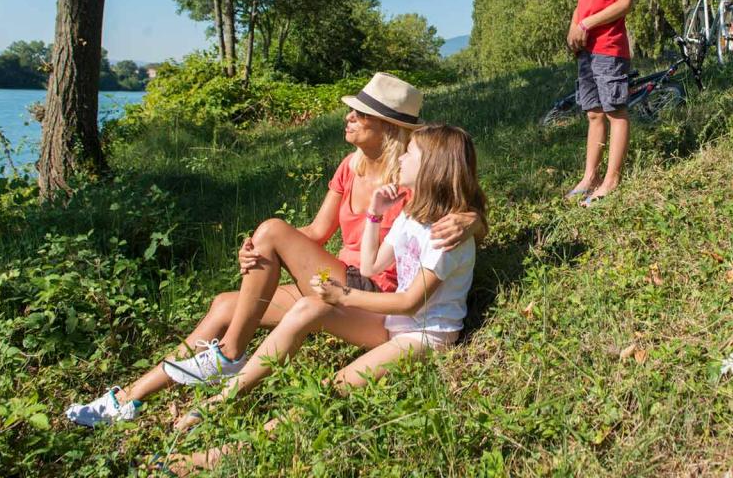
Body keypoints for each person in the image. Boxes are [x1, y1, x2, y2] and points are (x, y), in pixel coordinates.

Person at [64, 74, 484, 427]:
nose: (348, 117)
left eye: (360, 113)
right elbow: (318, 231)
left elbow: (453, 210)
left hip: (370, 292)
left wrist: (472, 221)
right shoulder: (350, 166)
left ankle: (229, 356)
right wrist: (256, 251)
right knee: (226, 304)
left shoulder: (410, 177)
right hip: (341, 272)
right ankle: (130, 399)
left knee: (270, 232)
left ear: (388, 127)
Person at [167, 124, 485, 471]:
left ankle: (222, 455)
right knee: (308, 306)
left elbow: (409, 302)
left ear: (431, 168)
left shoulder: (446, 236)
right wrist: (375, 213)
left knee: (330, 388)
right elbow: (370, 264)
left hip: (424, 335)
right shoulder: (410, 216)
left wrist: (344, 296)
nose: (402, 157)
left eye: (410, 154)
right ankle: (225, 397)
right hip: (394, 323)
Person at [565, 0, 637, 206]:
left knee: (614, 111)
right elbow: (582, 2)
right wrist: (574, 28)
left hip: (608, 47)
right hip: (587, 49)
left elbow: (624, 2)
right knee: (593, 113)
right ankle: (589, 176)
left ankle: (611, 179)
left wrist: (588, 23)